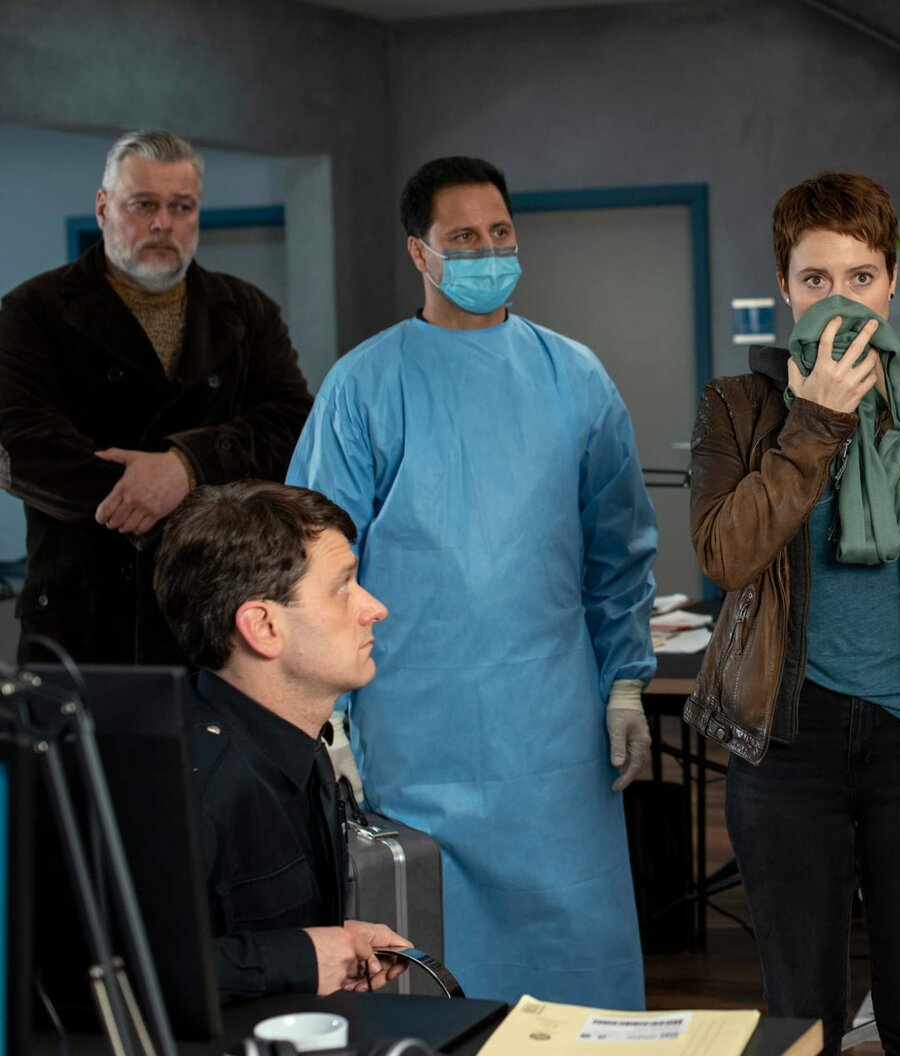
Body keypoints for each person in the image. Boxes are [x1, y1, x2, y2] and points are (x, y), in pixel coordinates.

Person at [287, 156, 658, 1006]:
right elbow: (310, 563)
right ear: (419, 252)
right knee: (432, 953)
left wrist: (625, 685)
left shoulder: (575, 378)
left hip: (554, 737)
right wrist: (325, 719)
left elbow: (619, 552)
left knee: (577, 957)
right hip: (415, 731)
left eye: (500, 233)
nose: (488, 252)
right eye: (463, 237)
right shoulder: (365, 386)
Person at [685, 172, 900, 1056]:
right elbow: (726, 555)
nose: (838, 300)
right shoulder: (738, 406)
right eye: (815, 279)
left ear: (891, 283)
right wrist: (814, 423)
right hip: (785, 747)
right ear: (783, 286)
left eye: (860, 277)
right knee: (804, 1020)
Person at [0, 129, 313, 666]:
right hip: (83, 615)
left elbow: (291, 428)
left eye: (180, 207)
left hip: (222, 609)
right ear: (103, 208)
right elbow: (19, 442)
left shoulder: (248, 310)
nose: (163, 223)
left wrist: (186, 469)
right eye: (143, 204)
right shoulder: (33, 311)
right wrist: (142, 493)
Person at [152, 480, 408, 1001]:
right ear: (264, 627)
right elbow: (123, 973)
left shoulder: (299, 748)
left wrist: (329, 944)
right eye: (343, 587)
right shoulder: (188, 786)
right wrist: (298, 958)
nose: (374, 608)